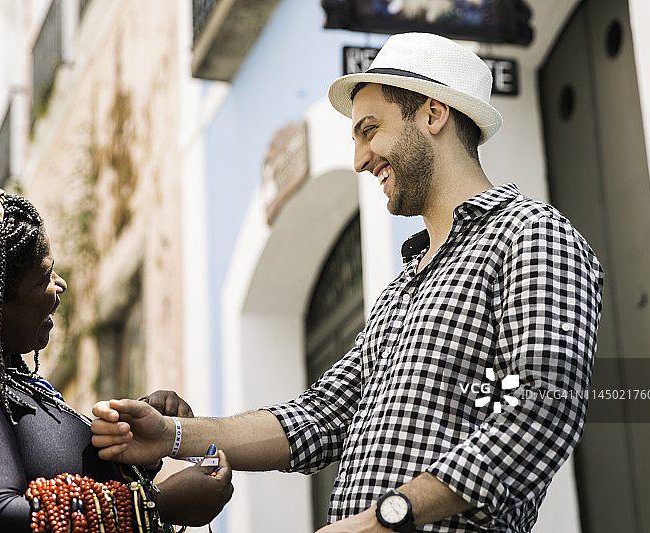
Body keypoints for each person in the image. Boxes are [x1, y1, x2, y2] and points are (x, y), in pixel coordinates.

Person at [90, 32, 604, 533]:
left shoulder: (531, 234)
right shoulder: (405, 285)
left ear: (433, 113)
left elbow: (542, 408)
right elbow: (322, 417)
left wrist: (383, 520)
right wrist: (174, 437)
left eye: (370, 129)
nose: (359, 158)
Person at [0, 185, 233, 533]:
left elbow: (60, 486)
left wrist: (132, 452)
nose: (60, 285)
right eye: (44, 276)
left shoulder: (7, 383)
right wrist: (155, 505)